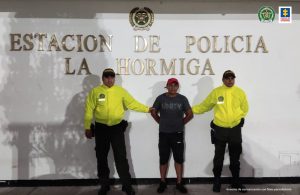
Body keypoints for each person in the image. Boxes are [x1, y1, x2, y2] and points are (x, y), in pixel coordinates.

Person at [84, 68, 150, 195]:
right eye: (107, 77)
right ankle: (104, 186)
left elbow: (133, 104)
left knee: (121, 158)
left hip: (116, 129)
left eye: (112, 77)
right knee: (101, 158)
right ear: (102, 79)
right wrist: (87, 127)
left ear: (114, 78)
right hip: (101, 129)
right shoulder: (95, 92)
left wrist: (148, 109)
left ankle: (126, 186)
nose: (109, 80)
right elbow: (88, 110)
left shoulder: (120, 91)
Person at [192, 70, 249, 193]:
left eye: (232, 78)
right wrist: (191, 110)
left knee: (235, 157)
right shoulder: (216, 92)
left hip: (235, 130)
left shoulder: (240, 92)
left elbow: (245, 108)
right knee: (218, 157)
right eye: (227, 78)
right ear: (222, 80)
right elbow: (205, 106)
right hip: (220, 129)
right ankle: (217, 181)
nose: (230, 80)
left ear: (234, 79)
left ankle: (236, 181)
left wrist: (239, 119)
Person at [151, 78, 193, 194]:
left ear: (178, 86)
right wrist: (160, 121)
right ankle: (162, 182)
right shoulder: (160, 98)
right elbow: (153, 111)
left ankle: (179, 183)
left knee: (178, 159)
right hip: (164, 134)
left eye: (175, 85)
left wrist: (181, 122)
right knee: (163, 159)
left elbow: (190, 114)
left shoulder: (182, 99)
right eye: (170, 85)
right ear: (167, 86)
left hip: (177, 134)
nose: (173, 88)